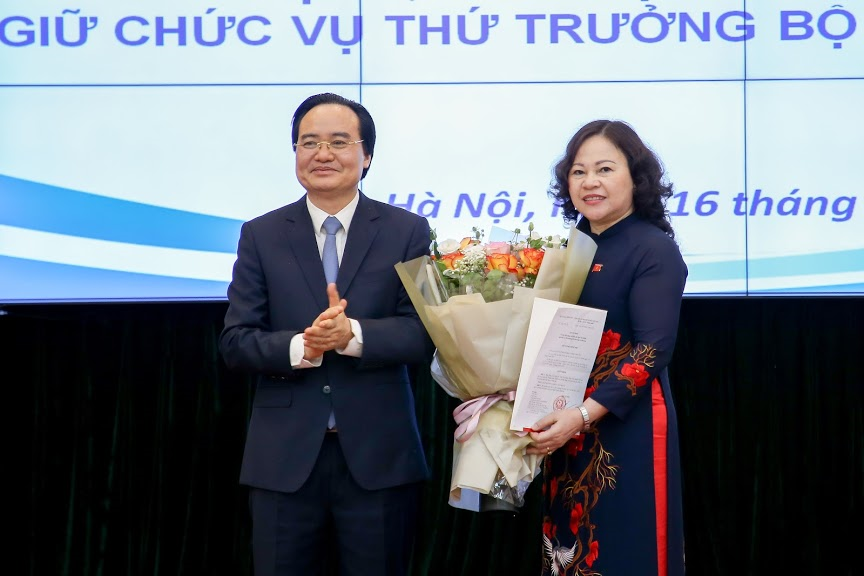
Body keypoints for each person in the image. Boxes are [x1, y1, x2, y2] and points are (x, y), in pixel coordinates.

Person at [219, 93, 433, 576]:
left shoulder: (407, 230)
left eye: (339, 142)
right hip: (283, 460)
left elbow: (424, 334)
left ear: (366, 155)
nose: (323, 154)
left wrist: (351, 335)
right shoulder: (261, 234)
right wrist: (305, 344)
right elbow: (236, 341)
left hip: (379, 457)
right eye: (309, 142)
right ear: (295, 152)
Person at [526, 120, 688, 576]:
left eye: (604, 169)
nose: (589, 182)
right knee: (567, 554)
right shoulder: (574, 249)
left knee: (625, 550)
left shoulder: (653, 249)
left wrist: (582, 415)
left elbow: (653, 349)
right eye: (578, 172)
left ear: (636, 178)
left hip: (625, 428)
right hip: (565, 426)